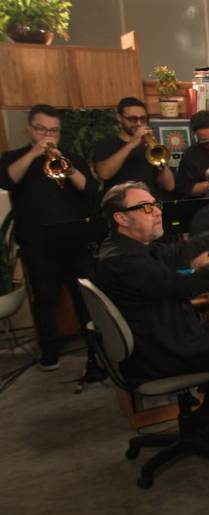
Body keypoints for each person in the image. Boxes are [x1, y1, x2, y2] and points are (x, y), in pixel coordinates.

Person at [93, 181, 209, 443]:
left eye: (156, 205)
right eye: (146, 207)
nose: (158, 211)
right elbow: (184, 287)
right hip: (161, 350)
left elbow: (176, 253)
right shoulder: (123, 260)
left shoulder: (124, 246)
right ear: (121, 218)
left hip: (166, 333)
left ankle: (206, 415)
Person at [0, 104, 99, 371]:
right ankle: (49, 352)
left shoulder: (72, 158)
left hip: (75, 241)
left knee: (86, 298)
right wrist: (34, 153)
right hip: (38, 243)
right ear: (29, 129)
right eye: (42, 129)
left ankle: (97, 350)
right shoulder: (14, 157)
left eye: (53, 130)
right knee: (45, 299)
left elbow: (89, 190)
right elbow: (7, 180)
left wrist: (66, 166)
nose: (48, 135)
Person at [93, 97, 175, 200]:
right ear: (119, 118)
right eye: (132, 119)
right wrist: (130, 145)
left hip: (149, 205)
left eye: (143, 119)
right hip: (121, 206)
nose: (138, 123)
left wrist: (162, 163)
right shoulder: (106, 144)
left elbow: (169, 186)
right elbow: (104, 174)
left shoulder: (151, 147)